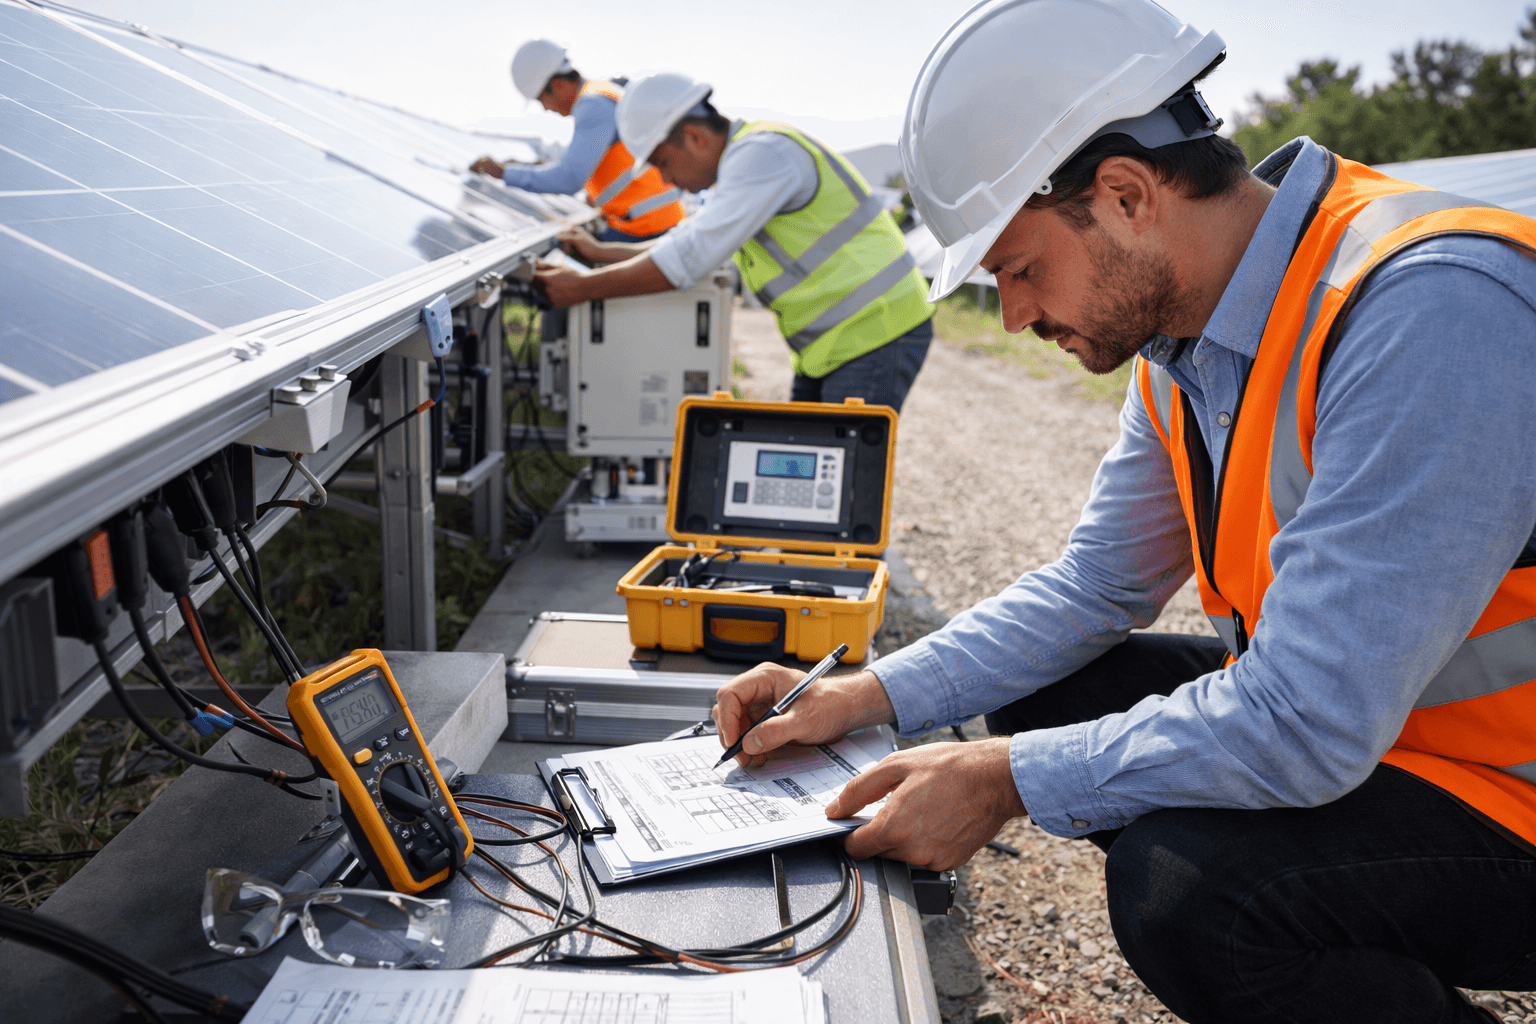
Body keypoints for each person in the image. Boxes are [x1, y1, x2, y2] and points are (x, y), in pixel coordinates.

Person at [710, 1, 1536, 1022]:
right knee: (1050, 691)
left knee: (1192, 890)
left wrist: (1002, 779)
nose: (1010, 311)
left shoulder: (1426, 305)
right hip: (1393, 731)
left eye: (1020, 268)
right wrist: (863, 696)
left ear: (1128, 193)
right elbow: (1096, 587)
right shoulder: (1186, 338)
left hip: (1506, 789)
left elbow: (1308, 719)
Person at [534, 73, 933, 412]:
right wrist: (604, 252)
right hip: (839, 342)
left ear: (694, 138)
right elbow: (687, 239)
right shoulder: (744, 165)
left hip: (876, 330)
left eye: (662, 164)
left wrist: (583, 288)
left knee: (840, 485)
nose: (667, 181)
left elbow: (689, 258)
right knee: (807, 472)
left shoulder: (763, 156)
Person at [469, 40, 684, 243]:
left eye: (541, 100)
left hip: (646, 229)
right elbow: (577, 163)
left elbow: (569, 178)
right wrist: (519, 166)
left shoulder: (592, 105)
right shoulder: (601, 92)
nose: (545, 108)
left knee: (559, 251)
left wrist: (503, 174)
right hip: (656, 221)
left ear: (558, 85)